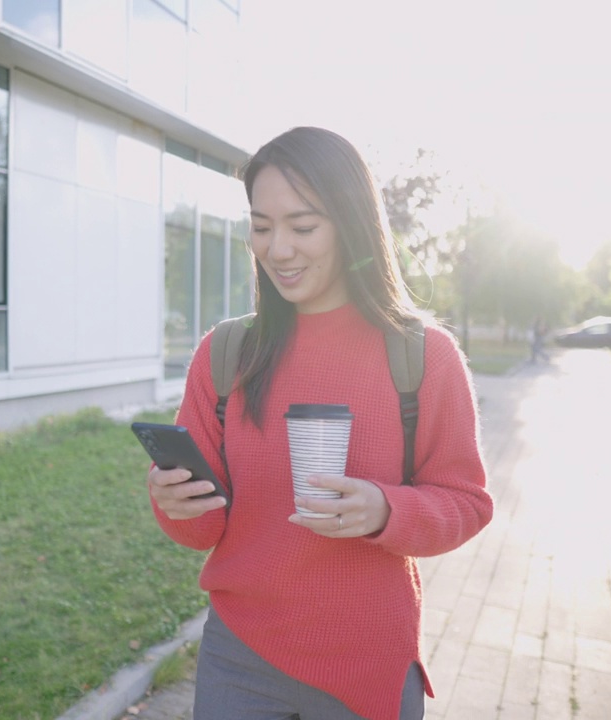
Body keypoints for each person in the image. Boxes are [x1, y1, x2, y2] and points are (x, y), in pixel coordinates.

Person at [147, 127, 494, 720]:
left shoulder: (423, 356)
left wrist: (387, 511)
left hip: (369, 666)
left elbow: (467, 502)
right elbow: (203, 533)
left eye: (302, 227)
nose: (278, 248)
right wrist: (173, 502)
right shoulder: (226, 353)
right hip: (239, 658)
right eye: (261, 227)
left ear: (352, 224)